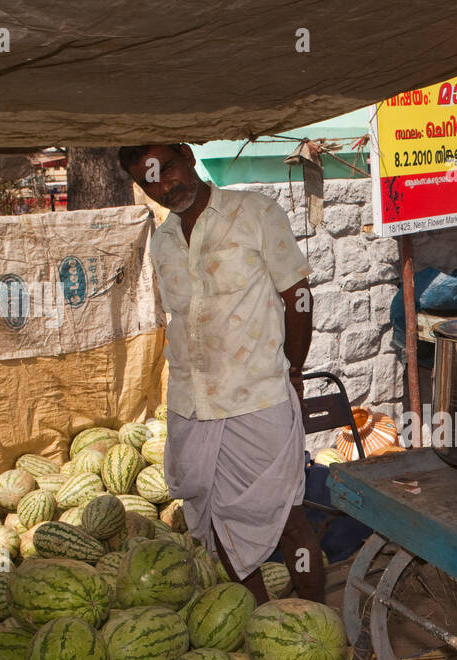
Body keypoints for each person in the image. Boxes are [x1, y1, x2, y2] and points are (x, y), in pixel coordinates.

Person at [118, 143, 324, 603]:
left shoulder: (255, 213)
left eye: (166, 168)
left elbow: (299, 297)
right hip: (192, 404)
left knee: (288, 517)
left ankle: (315, 619)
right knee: (216, 521)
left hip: (258, 398)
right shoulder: (162, 241)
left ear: (188, 156)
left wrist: (294, 369)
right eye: (148, 180)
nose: (163, 186)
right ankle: (262, 619)